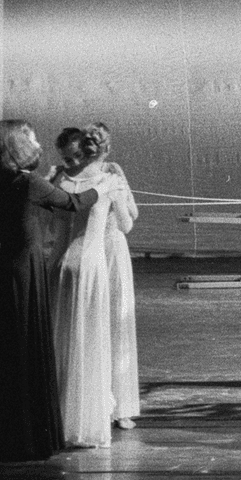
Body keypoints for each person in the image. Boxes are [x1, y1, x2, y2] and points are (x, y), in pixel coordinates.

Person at [0, 120, 106, 461]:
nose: (37, 142)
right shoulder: (29, 182)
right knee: (24, 352)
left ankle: (6, 434)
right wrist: (103, 188)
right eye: (31, 138)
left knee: (9, 355)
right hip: (26, 270)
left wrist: (49, 181)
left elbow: (35, 200)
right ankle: (25, 438)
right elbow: (73, 202)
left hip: (7, 267)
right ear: (19, 144)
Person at [50, 126, 124, 449]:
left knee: (65, 339)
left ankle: (62, 418)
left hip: (63, 266)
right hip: (86, 266)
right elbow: (125, 222)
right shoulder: (106, 181)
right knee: (84, 341)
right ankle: (81, 418)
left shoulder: (58, 180)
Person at [92, 123, 141, 431]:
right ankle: (105, 403)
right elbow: (129, 221)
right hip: (101, 246)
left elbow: (131, 214)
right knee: (104, 322)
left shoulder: (113, 172)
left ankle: (118, 405)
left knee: (114, 323)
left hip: (110, 249)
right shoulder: (97, 174)